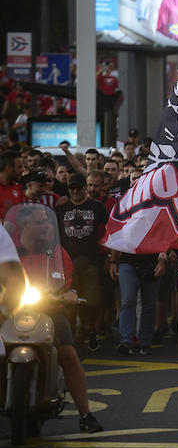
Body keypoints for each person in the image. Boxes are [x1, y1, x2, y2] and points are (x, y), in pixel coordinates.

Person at [3, 205, 104, 432]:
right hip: (12, 310)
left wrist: (70, 293)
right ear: (24, 226)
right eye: (40, 222)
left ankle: (86, 414)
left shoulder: (56, 252)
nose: (46, 226)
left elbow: (67, 281)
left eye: (47, 222)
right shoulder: (10, 255)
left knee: (68, 354)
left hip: (50, 309)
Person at [55, 173, 109, 351]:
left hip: (91, 260)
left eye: (79, 187)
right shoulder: (61, 207)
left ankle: (91, 328)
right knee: (71, 302)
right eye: (73, 188)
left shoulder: (97, 206)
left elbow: (112, 227)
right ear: (68, 189)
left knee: (92, 300)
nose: (76, 191)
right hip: (67, 263)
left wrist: (111, 255)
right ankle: (76, 332)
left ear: (85, 187)